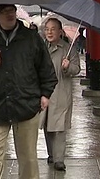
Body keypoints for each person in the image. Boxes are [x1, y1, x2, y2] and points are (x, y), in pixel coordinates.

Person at [0, 4, 58, 179]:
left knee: (27, 156)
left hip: (26, 102)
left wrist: (45, 93)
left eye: (12, 10)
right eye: (4, 12)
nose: (10, 14)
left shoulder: (31, 38)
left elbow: (46, 68)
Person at [40, 18, 80, 171]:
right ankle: (51, 153)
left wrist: (68, 66)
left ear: (60, 31)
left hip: (61, 92)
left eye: (53, 29)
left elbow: (76, 69)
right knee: (47, 124)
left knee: (60, 126)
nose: (49, 32)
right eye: (47, 29)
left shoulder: (67, 49)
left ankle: (59, 159)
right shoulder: (41, 48)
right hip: (45, 92)